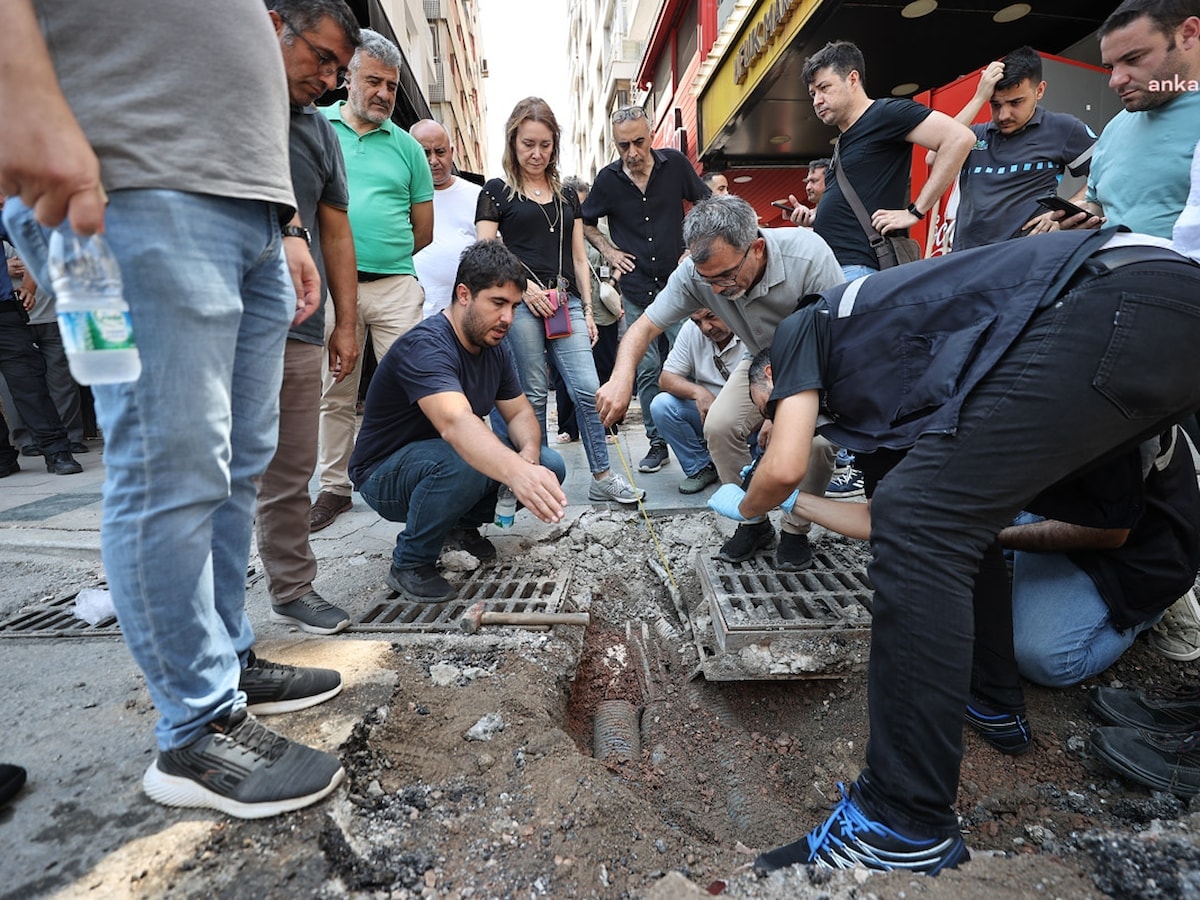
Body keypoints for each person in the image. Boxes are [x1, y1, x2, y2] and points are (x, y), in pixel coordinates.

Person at [709, 226, 1200, 875]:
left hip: (1104, 297)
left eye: (771, 405)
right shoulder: (893, 386)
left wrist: (747, 504)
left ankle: (900, 821)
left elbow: (785, 464)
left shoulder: (809, 326)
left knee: (928, 515)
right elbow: (890, 521)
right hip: (1155, 307)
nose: (772, 422)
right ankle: (994, 704)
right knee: (946, 514)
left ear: (777, 372)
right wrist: (796, 503)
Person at [1, 0, 346, 817]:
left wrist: (286, 222)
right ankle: (195, 729)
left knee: (236, 463)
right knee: (171, 463)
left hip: (250, 214)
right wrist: (21, 97)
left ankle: (226, 656)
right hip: (130, 185)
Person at [596, 195, 843, 569]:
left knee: (819, 445)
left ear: (756, 248)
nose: (716, 291)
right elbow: (644, 326)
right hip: (758, 358)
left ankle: (796, 530)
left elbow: (834, 343)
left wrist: (777, 414)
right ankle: (754, 523)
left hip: (818, 362)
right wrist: (620, 377)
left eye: (726, 276)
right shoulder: (698, 275)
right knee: (721, 424)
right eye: (706, 280)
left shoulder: (808, 257)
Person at [349, 240, 569, 603]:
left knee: (548, 465)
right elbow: (455, 423)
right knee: (462, 460)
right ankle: (410, 563)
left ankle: (459, 527)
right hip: (383, 475)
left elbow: (519, 413)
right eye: (497, 303)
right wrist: (514, 471)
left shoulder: (494, 347)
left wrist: (528, 458)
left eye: (513, 306)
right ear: (464, 294)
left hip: (439, 463)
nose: (508, 319)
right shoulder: (427, 346)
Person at [255, 0, 362, 636]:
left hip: (296, 322)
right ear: (274, 27)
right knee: (208, 467)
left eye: (337, 70)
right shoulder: (228, 103)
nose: (326, 80)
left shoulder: (319, 133)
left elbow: (338, 235)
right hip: (217, 313)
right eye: (319, 58)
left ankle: (292, 586)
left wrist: (343, 323)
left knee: (291, 466)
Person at [476, 98, 642, 506]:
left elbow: (580, 258)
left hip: (564, 299)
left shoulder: (568, 195)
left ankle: (602, 475)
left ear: (555, 145)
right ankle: (533, 479)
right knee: (531, 392)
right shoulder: (496, 192)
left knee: (588, 387)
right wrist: (523, 290)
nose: (537, 153)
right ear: (513, 141)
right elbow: (485, 251)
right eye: (528, 144)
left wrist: (587, 310)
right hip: (520, 304)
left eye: (545, 145)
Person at [311, 29, 435, 532]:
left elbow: (421, 230)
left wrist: (383, 255)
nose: (384, 93)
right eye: (374, 81)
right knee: (333, 390)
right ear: (348, 78)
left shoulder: (407, 148)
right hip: (327, 290)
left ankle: (415, 476)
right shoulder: (315, 127)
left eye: (391, 84)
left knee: (419, 386)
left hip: (393, 286)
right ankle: (334, 488)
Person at [582, 106, 711, 474]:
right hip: (637, 290)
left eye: (638, 142)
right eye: (623, 145)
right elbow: (585, 220)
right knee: (648, 369)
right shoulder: (607, 179)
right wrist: (608, 250)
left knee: (693, 365)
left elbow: (706, 203)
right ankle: (657, 444)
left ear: (650, 135)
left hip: (679, 287)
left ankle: (702, 437)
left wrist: (693, 248)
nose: (632, 153)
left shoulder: (675, 165)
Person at [803, 41, 975, 279]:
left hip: (859, 269)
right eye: (813, 94)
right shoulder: (844, 138)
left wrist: (915, 211)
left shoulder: (884, 113)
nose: (817, 101)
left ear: (852, 79)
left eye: (824, 88)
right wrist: (817, 217)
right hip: (832, 268)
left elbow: (960, 138)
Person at [1058, 0, 1200, 240]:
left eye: (1133, 59)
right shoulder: (1114, 128)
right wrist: (1083, 217)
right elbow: (1098, 205)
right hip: (1109, 267)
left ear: (1187, 35)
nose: (1115, 80)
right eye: (1111, 66)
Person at [945, 46, 1097, 250]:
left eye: (1016, 102)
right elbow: (934, 156)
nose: (1004, 115)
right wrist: (979, 97)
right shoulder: (972, 135)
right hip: (965, 260)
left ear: (1040, 90)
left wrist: (1067, 209)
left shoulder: (1063, 128)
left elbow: (1107, 171)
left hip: (1026, 258)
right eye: (996, 104)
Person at [0, 215, 81, 475]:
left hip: (4, 314)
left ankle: (57, 451)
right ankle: (3, 457)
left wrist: (29, 287)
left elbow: (34, 242)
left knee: (29, 385)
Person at [652, 308, 743, 494]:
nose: (706, 328)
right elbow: (666, 378)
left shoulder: (749, 326)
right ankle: (700, 467)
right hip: (708, 413)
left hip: (748, 415)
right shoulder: (690, 331)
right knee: (662, 405)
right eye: (697, 322)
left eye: (711, 316)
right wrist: (699, 392)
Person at [411, 119, 482, 318]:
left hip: (466, 319)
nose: (433, 160)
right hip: (413, 318)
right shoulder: (400, 197)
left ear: (452, 151)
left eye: (440, 152)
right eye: (425, 153)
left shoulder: (477, 195)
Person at [785, 157, 830, 227]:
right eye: (807, 182)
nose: (807, 187)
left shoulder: (846, 213)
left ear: (830, 182)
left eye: (814, 181)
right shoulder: (808, 217)